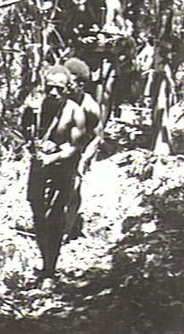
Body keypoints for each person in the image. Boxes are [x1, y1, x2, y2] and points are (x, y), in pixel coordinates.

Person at [21, 65, 87, 281]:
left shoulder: (75, 112)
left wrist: (54, 156)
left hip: (61, 170)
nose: (53, 93)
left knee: (54, 216)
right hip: (39, 168)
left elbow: (75, 146)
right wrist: (33, 145)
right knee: (38, 213)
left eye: (59, 88)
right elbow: (25, 133)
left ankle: (51, 267)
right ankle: (44, 261)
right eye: (50, 88)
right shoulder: (36, 107)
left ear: (68, 89)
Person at [63, 57, 102, 241]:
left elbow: (96, 137)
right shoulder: (61, 98)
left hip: (81, 152)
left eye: (71, 82)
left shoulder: (90, 106)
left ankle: (67, 230)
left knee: (73, 189)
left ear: (80, 84)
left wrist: (85, 159)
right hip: (62, 149)